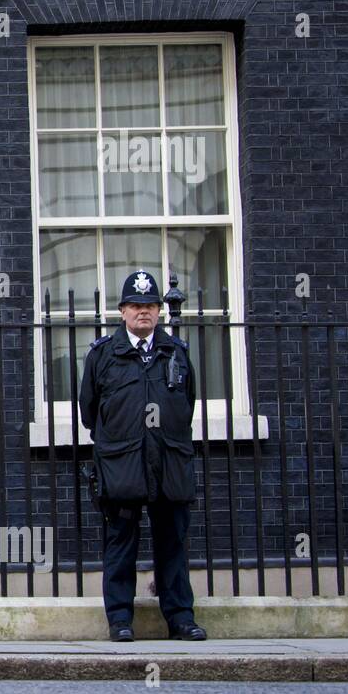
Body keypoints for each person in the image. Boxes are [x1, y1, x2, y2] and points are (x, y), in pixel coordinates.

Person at [79, 270, 208, 642]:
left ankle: (181, 619)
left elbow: (187, 405)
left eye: (150, 305)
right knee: (121, 546)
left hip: (169, 462)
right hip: (123, 465)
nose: (144, 312)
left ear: (159, 310)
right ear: (122, 311)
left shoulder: (176, 353)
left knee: (173, 546)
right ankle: (120, 620)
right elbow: (89, 411)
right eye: (136, 305)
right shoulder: (103, 355)